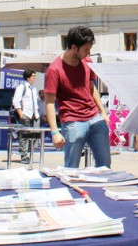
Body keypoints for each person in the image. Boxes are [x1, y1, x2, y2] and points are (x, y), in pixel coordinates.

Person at [45, 26, 111, 168]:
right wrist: (55, 131)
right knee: (71, 167)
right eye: (86, 49)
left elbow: (92, 88)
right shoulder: (54, 70)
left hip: (95, 118)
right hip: (73, 121)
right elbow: (49, 102)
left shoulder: (88, 62)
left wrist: (103, 112)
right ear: (74, 47)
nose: (89, 53)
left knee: (105, 165)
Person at [12, 69, 40, 164]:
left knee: (36, 135)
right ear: (28, 78)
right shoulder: (21, 87)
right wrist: (21, 114)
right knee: (24, 135)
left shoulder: (34, 88)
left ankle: (30, 152)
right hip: (26, 114)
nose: (35, 78)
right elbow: (16, 101)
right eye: (33, 76)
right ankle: (24, 156)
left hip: (34, 115)